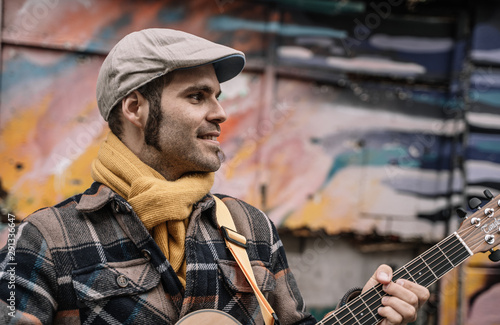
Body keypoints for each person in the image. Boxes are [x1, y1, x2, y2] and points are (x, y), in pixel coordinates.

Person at [0, 28, 429, 325]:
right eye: (196, 95)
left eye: (217, 96)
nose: (220, 112)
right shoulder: (46, 240)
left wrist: (371, 311)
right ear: (135, 108)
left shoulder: (251, 230)